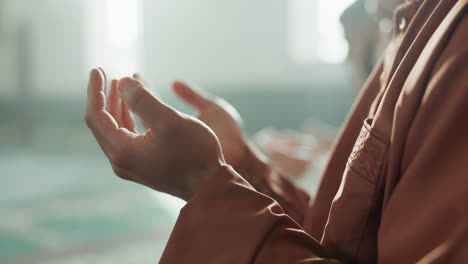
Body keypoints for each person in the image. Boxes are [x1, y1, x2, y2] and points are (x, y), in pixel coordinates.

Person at [85, 0, 468, 263]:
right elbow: (350, 241)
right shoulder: (420, 24)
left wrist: (203, 181)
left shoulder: (456, 43)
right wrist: (243, 170)